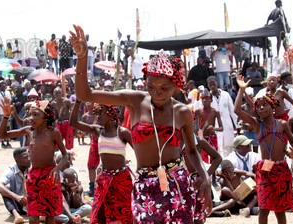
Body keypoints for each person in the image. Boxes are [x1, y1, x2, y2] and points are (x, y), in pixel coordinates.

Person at [69, 25, 212, 223]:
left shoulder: (182, 112)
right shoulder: (134, 101)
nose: (157, 92)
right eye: (151, 86)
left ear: (176, 85)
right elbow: (86, 95)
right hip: (145, 184)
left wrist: (204, 177)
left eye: (165, 88)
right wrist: (82, 58)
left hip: (177, 183)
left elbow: (192, 150)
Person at [234, 75, 293, 224]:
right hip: (264, 170)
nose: (261, 108)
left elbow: (292, 143)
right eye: (258, 106)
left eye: (264, 105)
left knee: (280, 211)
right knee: (264, 208)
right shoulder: (257, 125)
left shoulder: (282, 124)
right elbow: (237, 110)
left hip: (281, 170)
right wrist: (241, 90)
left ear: (272, 107)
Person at [0, 98, 69, 224]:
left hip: (50, 176)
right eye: (30, 114)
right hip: (33, 176)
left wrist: (57, 168)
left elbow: (65, 155)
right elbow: (3, 135)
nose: (31, 118)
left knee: (50, 216)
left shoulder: (53, 133)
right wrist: (6, 116)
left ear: (46, 117)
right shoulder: (29, 131)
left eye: (36, 115)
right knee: (33, 216)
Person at [70, 100, 133, 223]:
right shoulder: (97, 131)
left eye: (100, 113)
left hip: (121, 179)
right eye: (96, 113)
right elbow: (73, 123)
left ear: (110, 114)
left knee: (122, 215)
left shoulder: (122, 132)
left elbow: (139, 151)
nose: (97, 116)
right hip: (103, 178)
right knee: (100, 214)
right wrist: (78, 102)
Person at [0, 147, 31, 224]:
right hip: (18, 203)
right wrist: (16, 197)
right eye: (25, 157)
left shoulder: (33, 168)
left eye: (29, 156)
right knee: (5, 189)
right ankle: (17, 215)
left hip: (32, 202)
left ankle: (40, 213)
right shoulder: (11, 169)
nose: (29, 159)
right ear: (17, 160)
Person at [206, 76, 238, 157]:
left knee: (229, 147)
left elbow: (232, 111)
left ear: (217, 83)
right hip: (215, 126)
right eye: (210, 85)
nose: (212, 86)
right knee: (217, 148)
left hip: (227, 125)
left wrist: (237, 125)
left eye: (214, 84)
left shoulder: (226, 95)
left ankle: (230, 166)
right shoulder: (207, 98)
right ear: (208, 86)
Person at [194, 89, 223, 164]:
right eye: (203, 99)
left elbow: (221, 128)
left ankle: (213, 174)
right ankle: (206, 173)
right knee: (203, 158)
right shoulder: (198, 112)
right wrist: (198, 133)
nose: (204, 100)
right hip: (202, 138)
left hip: (212, 137)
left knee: (214, 157)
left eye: (206, 98)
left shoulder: (215, 112)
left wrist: (214, 129)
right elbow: (194, 126)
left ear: (211, 100)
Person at [0, 80, 13, 148]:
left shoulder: (8, 92)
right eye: (1, 84)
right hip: (0, 112)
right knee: (2, 127)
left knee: (8, 127)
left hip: (7, 112)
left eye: (4, 84)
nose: (3, 85)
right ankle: (2, 141)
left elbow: (10, 101)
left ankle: (7, 141)